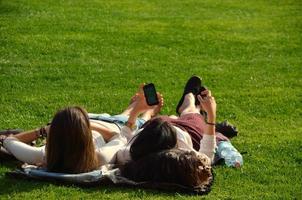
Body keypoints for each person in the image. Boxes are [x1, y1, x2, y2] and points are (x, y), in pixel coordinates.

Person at [0, 93, 164, 173]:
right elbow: (121, 136)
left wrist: (43, 130)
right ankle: (146, 112)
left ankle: (130, 109)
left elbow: (8, 141)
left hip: (93, 122)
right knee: (126, 121)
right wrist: (89, 125)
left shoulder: (43, 155)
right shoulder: (99, 157)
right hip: (110, 127)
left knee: (119, 118)